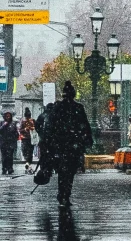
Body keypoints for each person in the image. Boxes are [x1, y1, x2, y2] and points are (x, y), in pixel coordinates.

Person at [39, 80, 94, 212]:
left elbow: (51, 127)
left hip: (62, 144)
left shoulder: (59, 108)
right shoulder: (77, 108)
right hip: (71, 145)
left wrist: (49, 142)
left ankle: (63, 194)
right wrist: (86, 139)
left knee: (64, 171)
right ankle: (65, 194)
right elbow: (84, 126)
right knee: (69, 171)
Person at [0, 110, 19, 176]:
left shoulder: (14, 123)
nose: (8, 117)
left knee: (10, 156)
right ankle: (4, 168)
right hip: (3, 142)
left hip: (11, 142)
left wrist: (15, 137)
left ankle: (10, 168)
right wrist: (4, 125)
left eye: (9, 116)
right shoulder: (1, 123)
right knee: (4, 156)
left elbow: (16, 133)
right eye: (7, 116)